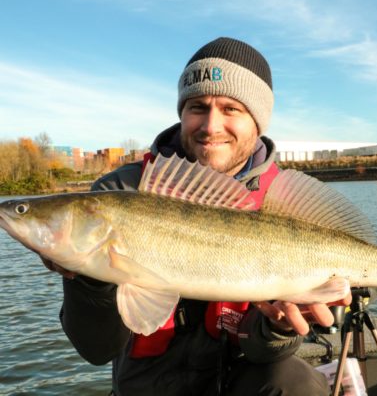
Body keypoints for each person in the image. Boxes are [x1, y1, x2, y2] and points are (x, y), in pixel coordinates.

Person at [43, 37, 351, 396]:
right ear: (181, 113)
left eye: (231, 109)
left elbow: (260, 351)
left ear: (258, 120)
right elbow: (96, 349)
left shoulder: (284, 203)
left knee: (296, 382)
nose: (211, 126)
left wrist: (280, 329)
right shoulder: (121, 191)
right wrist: (89, 280)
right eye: (198, 106)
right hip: (145, 387)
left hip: (240, 379)